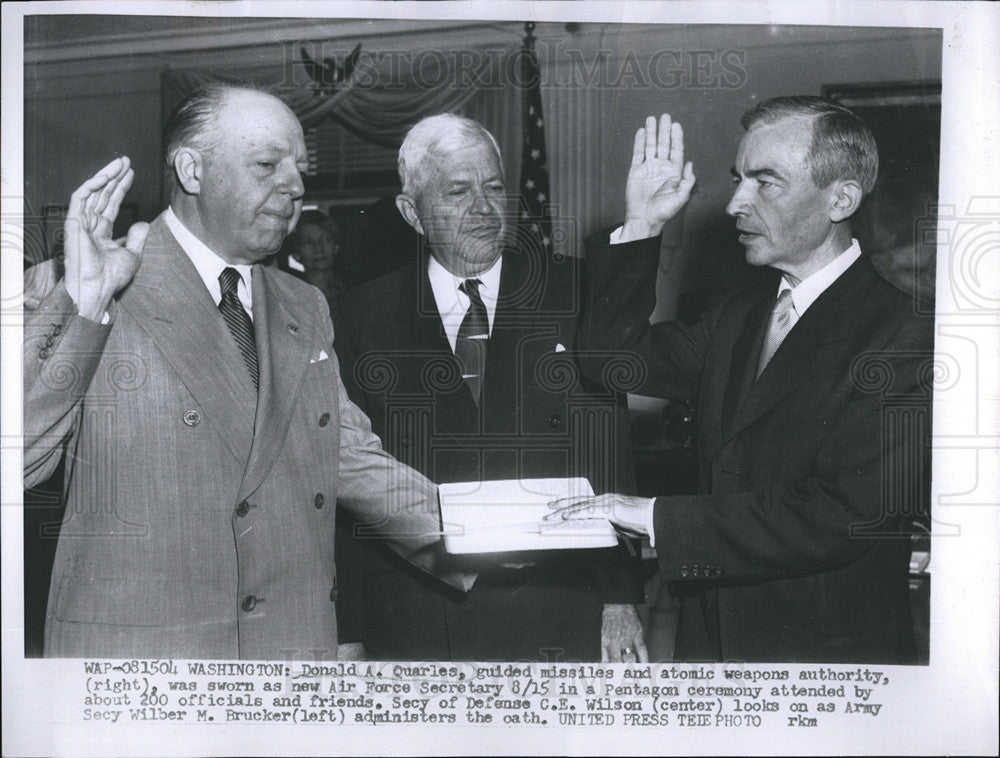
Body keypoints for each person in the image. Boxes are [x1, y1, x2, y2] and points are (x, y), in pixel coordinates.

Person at [23, 83, 470, 659]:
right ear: (191, 170)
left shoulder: (304, 305)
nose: (295, 186)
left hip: (287, 661)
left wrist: (484, 528)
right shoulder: (72, 284)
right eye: (267, 164)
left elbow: (346, 455)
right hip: (146, 675)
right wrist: (85, 302)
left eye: (299, 168)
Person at [551, 98, 933, 664]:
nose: (734, 203)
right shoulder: (737, 316)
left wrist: (655, 515)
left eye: (765, 183)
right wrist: (642, 224)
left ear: (841, 198)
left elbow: (842, 514)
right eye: (738, 180)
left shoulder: (904, 335)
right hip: (713, 644)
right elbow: (612, 360)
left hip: (826, 658)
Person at [333, 114, 647, 662]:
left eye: (495, 187)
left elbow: (608, 448)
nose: (484, 207)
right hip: (413, 612)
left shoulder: (574, 289)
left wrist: (619, 598)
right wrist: (347, 629)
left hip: (555, 601)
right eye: (459, 191)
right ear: (412, 212)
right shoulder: (357, 315)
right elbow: (345, 484)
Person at [283, 208, 346, 302]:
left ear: (336, 246)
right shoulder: (288, 296)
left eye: (325, 239)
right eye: (308, 242)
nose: (318, 248)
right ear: (296, 254)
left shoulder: (351, 291)